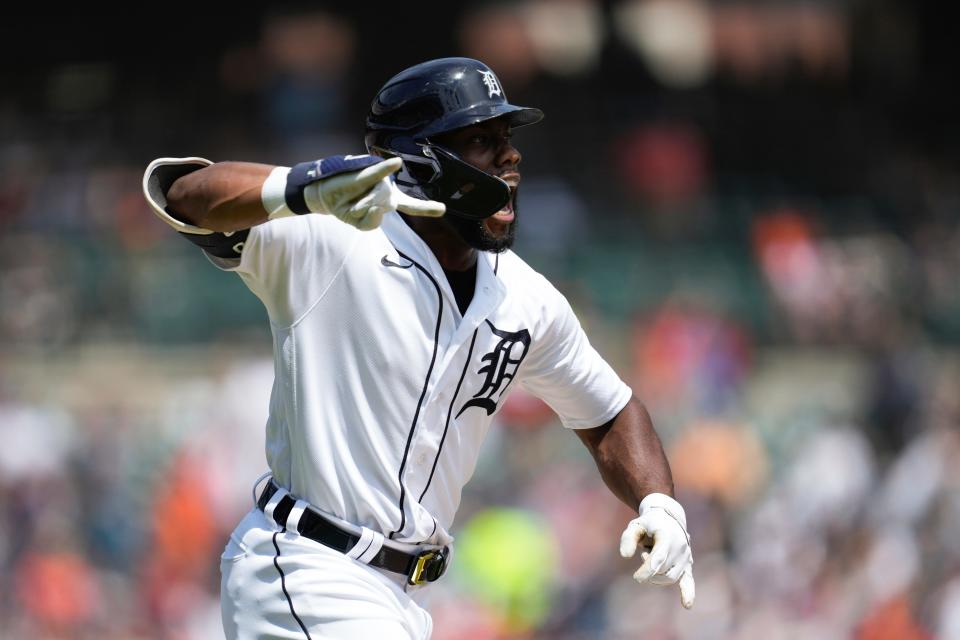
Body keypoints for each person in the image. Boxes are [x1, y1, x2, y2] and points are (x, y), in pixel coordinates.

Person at [142, 57, 695, 640]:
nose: (510, 157)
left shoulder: (527, 298)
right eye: (483, 140)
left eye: (507, 139)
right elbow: (183, 195)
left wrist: (659, 503)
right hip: (309, 567)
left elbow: (610, 413)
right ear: (422, 160)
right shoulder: (333, 239)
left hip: (403, 597)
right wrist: (305, 187)